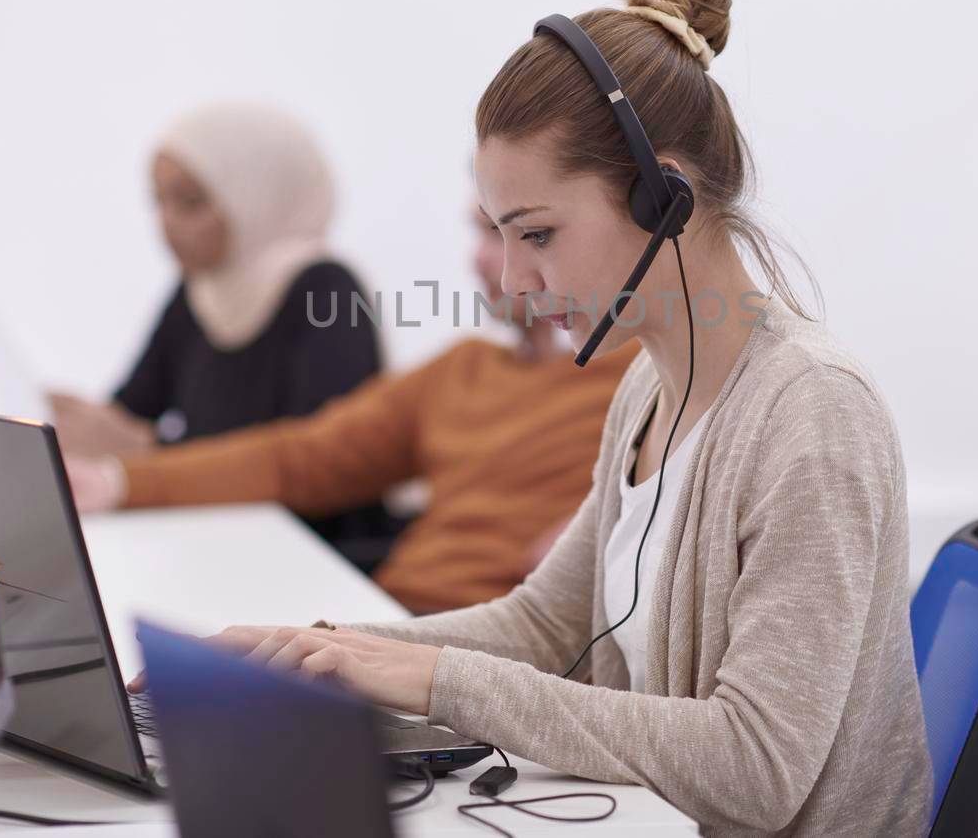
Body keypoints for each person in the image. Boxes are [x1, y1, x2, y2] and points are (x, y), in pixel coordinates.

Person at [175, 0, 934, 836]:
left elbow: (757, 766)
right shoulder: (650, 384)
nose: (513, 279)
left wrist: (437, 681)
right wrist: (319, 652)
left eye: (536, 234)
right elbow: (546, 621)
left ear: (666, 198)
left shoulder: (813, 414)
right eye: (502, 237)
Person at [66, 200, 640, 612]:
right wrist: (116, 483)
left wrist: (611, 527)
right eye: (485, 234)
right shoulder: (464, 370)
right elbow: (301, 457)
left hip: (495, 655)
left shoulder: (649, 380)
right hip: (384, 620)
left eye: (521, 235)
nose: (489, 263)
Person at [49, 102, 390, 563]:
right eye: (157, 200)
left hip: (311, 559)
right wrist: (76, 424)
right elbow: (132, 412)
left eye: (190, 203)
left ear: (255, 196)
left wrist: (149, 452)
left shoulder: (328, 292)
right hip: (210, 542)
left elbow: (318, 464)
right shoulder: (198, 292)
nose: (166, 223)